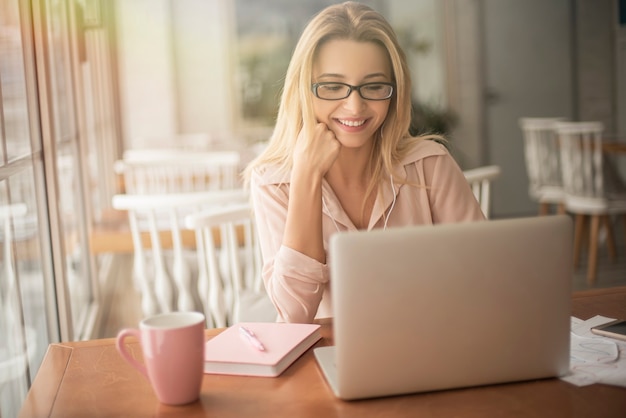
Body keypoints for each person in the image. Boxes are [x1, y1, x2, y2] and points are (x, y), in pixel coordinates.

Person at [243, 1, 485, 324]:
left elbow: (485, 279)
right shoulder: (273, 182)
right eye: (332, 87)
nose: (355, 106)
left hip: (428, 350)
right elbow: (294, 313)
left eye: (373, 86)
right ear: (305, 90)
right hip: (323, 362)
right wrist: (306, 177)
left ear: (394, 91)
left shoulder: (431, 165)